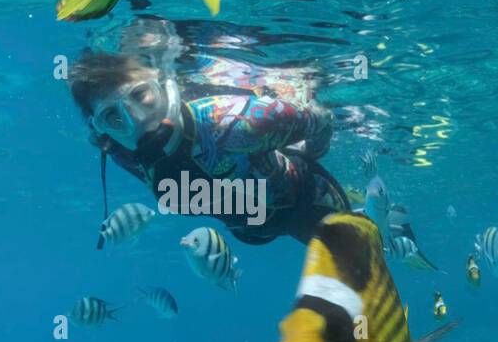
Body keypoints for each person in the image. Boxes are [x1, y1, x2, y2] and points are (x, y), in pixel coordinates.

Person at [70, 50, 349, 245]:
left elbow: (321, 121)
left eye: (141, 95)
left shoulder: (240, 122)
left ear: (166, 85)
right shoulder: (117, 148)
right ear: (101, 128)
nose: (139, 121)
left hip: (307, 203)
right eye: (112, 117)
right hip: (248, 230)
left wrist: (308, 152)